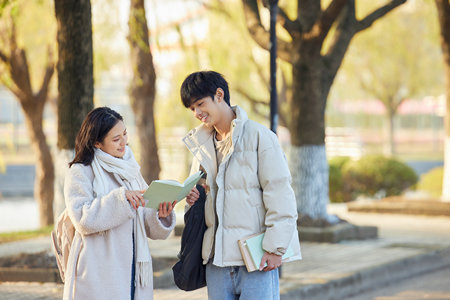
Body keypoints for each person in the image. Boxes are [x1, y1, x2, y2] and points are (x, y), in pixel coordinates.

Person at [181, 71, 302, 299]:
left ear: (219, 95)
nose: (197, 113)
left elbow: (280, 194)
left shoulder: (260, 137)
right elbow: (202, 200)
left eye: (200, 104)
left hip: (256, 260)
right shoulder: (201, 146)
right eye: (192, 109)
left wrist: (275, 249)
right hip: (216, 261)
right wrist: (194, 199)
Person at [63, 107, 176, 300]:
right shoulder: (81, 171)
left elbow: (144, 215)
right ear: (97, 142)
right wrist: (121, 199)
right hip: (99, 270)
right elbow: (82, 217)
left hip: (133, 268)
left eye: (124, 134)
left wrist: (160, 214)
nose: (124, 142)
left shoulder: (130, 168)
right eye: (116, 139)